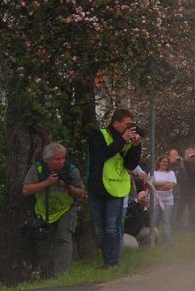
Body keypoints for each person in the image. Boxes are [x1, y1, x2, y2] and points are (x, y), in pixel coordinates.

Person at [87, 108, 142, 268]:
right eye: (127, 124)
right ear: (116, 123)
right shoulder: (98, 135)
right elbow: (101, 155)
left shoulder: (128, 139)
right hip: (98, 187)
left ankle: (112, 263)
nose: (130, 128)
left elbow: (130, 164)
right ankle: (106, 260)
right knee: (99, 229)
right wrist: (122, 140)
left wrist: (136, 146)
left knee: (113, 227)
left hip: (117, 187)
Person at [22, 142, 85, 278]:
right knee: (44, 243)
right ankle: (47, 276)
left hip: (66, 209)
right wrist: (47, 182)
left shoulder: (71, 169)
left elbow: (81, 193)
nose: (61, 162)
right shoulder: (38, 169)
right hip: (44, 210)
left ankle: (61, 275)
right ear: (48, 159)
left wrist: (68, 187)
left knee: (64, 238)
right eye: (57, 159)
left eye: (63, 158)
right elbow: (26, 190)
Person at [152, 155, 177, 244]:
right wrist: (164, 183)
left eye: (167, 162)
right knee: (154, 221)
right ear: (159, 162)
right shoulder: (153, 172)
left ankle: (165, 242)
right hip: (155, 200)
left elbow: (171, 185)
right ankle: (153, 241)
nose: (165, 163)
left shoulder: (170, 173)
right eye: (163, 161)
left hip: (167, 201)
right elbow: (152, 184)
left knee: (166, 222)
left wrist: (159, 187)